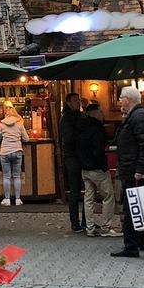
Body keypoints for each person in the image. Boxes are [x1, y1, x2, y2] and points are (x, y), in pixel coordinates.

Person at [112, 86, 144, 258]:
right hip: (130, 169)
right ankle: (135, 243)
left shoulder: (139, 117)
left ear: (128, 100)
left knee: (132, 209)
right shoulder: (134, 116)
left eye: (121, 98)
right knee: (133, 209)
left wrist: (140, 169)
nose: (119, 101)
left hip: (134, 171)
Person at [77, 103, 122, 238]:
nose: (102, 114)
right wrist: (103, 165)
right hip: (97, 169)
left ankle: (90, 228)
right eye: (100, 112)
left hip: (84, 168)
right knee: (108, 196)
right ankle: (106, 227)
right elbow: (98, 151)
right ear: (95, 113)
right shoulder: (97, 129)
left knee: (88, 198)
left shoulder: (79, 127)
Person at [59, 93, 86, 233]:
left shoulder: (80, 116)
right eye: (75, 100)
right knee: (75, 191)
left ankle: (85, 221)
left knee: (87, 190)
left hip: (80, 157)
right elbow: (68, 138)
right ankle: (75, 222)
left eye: (79, 100)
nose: (78, 103)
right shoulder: (67, 119)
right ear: (68, 102)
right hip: (72, 157)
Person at [0, 104, 29, 206]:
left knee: (6, 176)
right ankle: (18, 199)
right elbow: (26, 139)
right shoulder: (19, 124)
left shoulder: (1, 125)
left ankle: (7, 199)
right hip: (17, 151)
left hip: (5, 152)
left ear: (6, 115)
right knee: (16, 176)